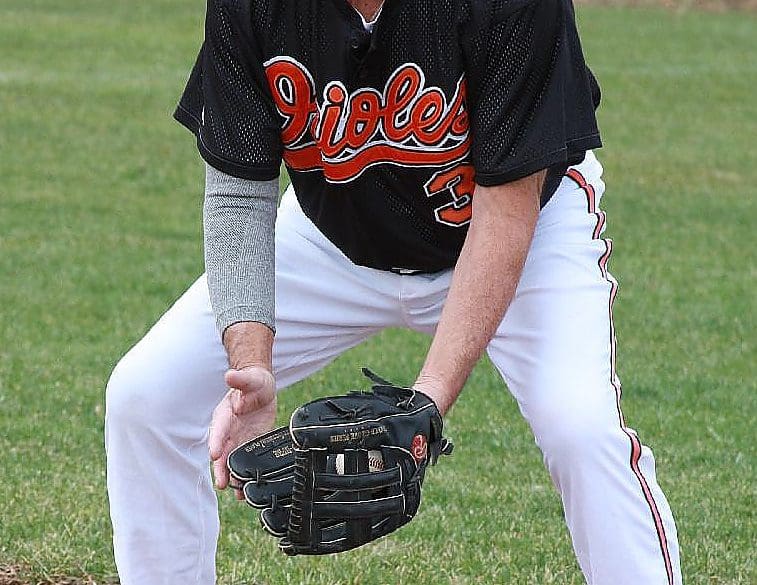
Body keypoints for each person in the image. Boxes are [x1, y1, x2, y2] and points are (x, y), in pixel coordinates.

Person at [105, 0, 682, 583]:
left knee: (580, 430)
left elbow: (506, 210)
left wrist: (426, 404)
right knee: (146, 396)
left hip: (524, 234)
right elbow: (238, 191)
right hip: (330, 239)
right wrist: (253, 367)